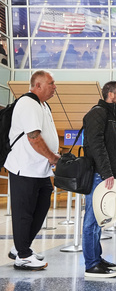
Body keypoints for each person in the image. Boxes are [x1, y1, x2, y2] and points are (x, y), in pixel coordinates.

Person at [5, 70, 60, 271]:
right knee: (24, 213)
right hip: (25, 168)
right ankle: (24, 256)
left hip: (41, 169)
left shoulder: (43, 105)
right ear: (37, 85)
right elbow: (34, 137)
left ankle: (20, 247)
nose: (55, 87)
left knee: (41, 208)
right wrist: (53, 157)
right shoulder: (28, 103)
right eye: (51, 83)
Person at [82, 80, 116, 278]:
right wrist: (107, 172)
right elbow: (96, 145)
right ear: (111, 94)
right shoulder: (98, 113)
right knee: (91, 221)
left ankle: (97, 259)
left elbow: (113, 147)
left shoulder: (110, 115)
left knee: (99, 220)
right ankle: (91, 264)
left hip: (105, 174)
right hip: (98, 174)